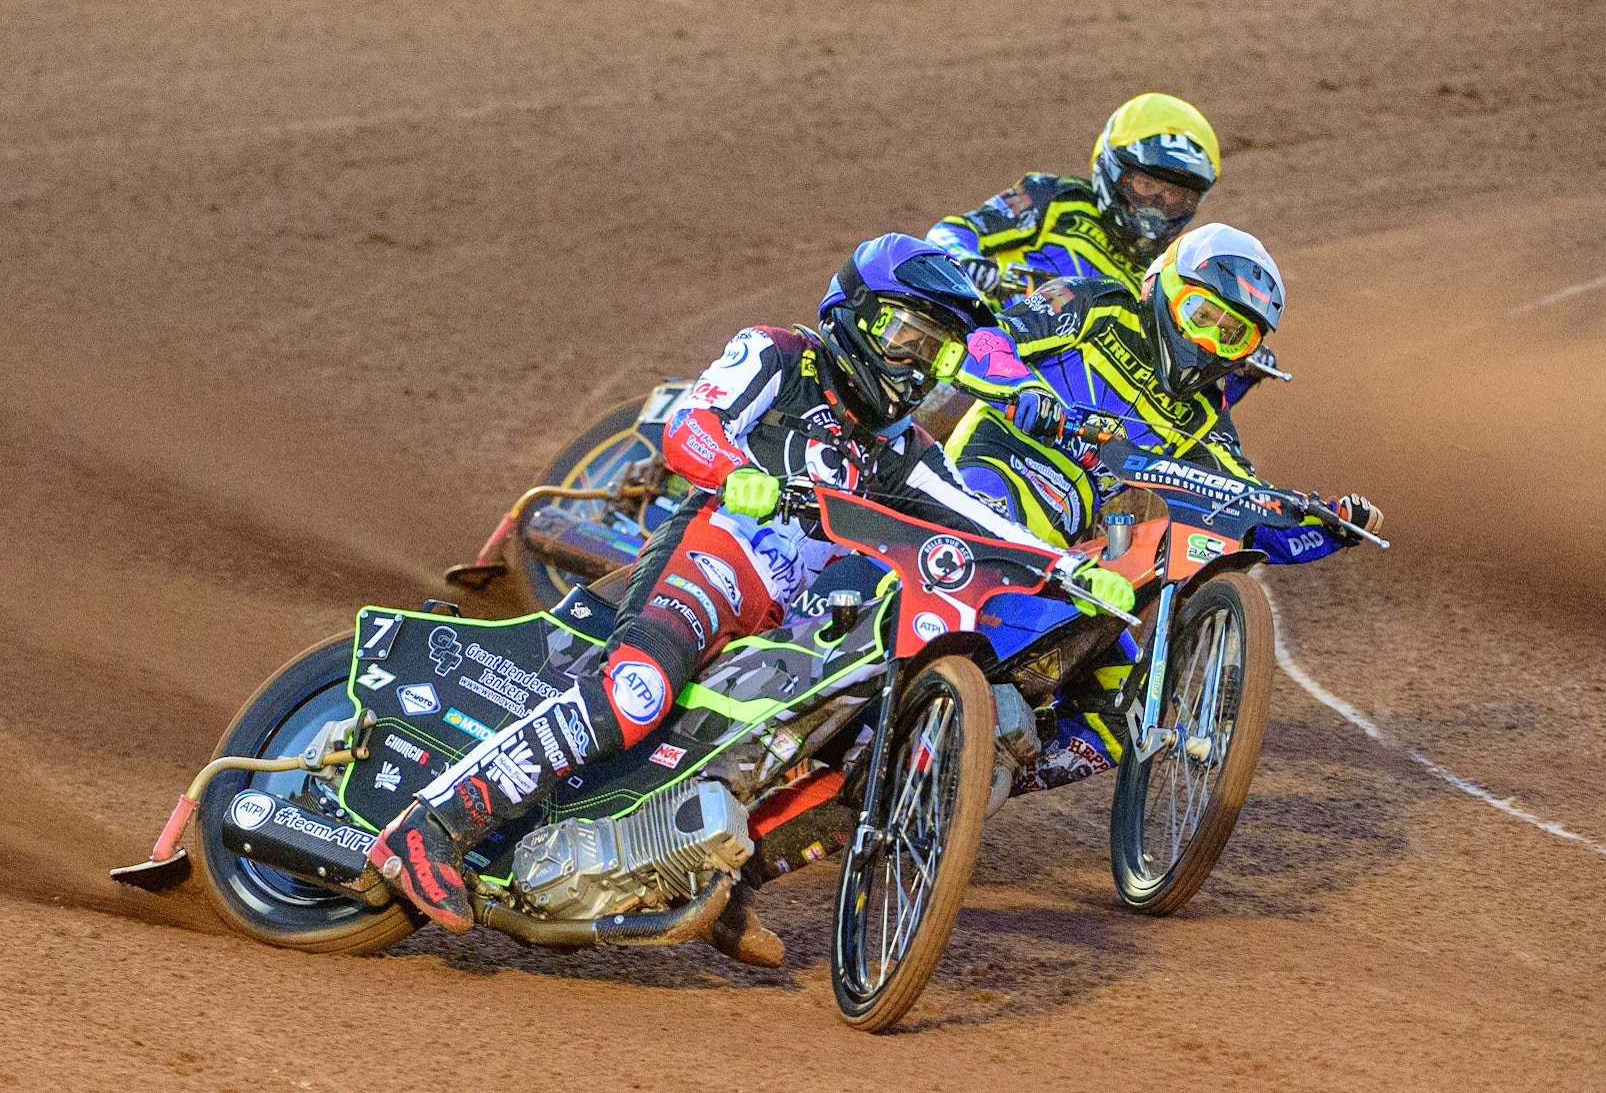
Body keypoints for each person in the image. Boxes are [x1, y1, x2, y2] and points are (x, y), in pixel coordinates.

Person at [367, 233, 1136, 954]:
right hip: (713, 555)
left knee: (843, 753)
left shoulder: (903, 448)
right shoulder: (779, 355)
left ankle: (725, 880)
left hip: (787, 617)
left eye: (936, 350)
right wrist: (738, 473)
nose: (918, 362)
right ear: (856, 316)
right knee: (635, 691)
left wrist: (1069, 569)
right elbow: (691, 426)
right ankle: (433, 827)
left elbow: (980, 520)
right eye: (906, 336)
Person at [943, 221, 1382, 790]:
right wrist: (1021, 388)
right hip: (984, 481)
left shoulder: (1205, 420)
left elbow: (1243, 507)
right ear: (1162, 287)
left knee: (1123, 713)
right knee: (983, 550)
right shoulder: (1095, 303)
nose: (1209, 342)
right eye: (1202, 315)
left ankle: (969, 783)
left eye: (1232, 336)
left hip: (1064, 555)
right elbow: (984, 339)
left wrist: (1328, 525)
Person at [926, 91, 1279, 408]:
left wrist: (1235, 372)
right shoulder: (1055, 199)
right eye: (1146, 185)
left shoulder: (1170, 275)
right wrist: (968, 266)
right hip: (986, 345)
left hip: (1062, 405)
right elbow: (949, 232)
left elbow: (1173, 399)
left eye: (1174, 195)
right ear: (1114, 170)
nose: (1157, 206)